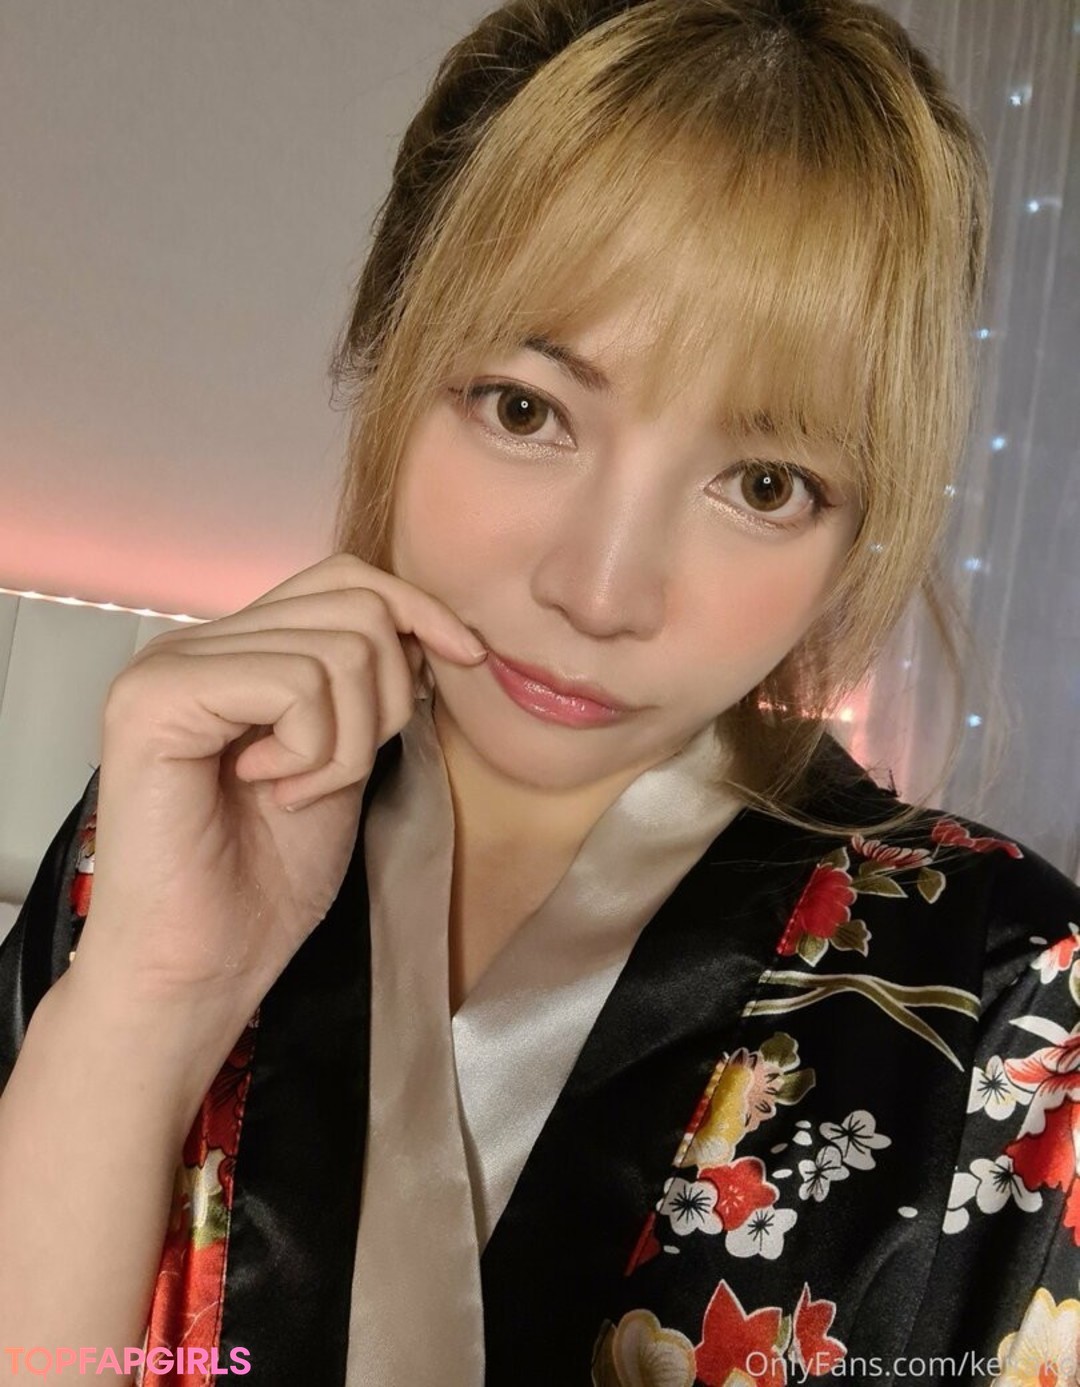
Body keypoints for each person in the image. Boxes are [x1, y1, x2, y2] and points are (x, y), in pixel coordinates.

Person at [1, 0, 1077, 1383]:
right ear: (390, 350)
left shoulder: (1008, 1000)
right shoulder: (175, 823)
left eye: (764, 484)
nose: (601, 591)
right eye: (526, 409)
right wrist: (145, 1003)